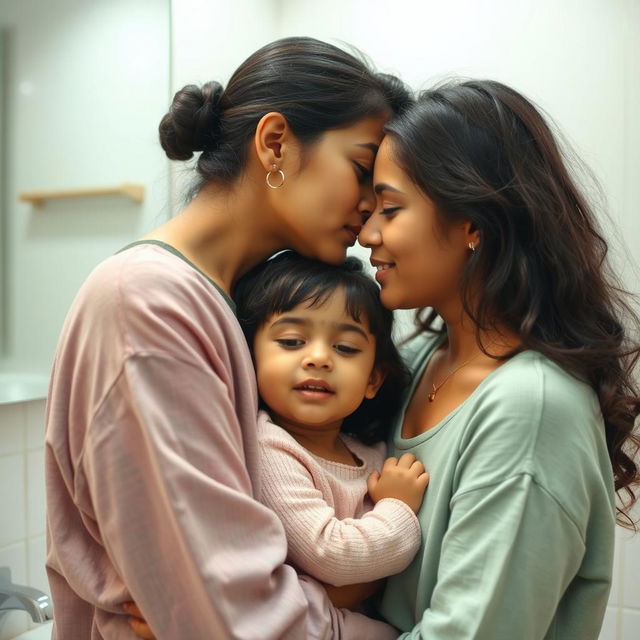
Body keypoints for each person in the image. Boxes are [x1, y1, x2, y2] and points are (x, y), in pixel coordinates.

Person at [44, 36, 412, 640]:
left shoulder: (226, 299)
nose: (371, 210)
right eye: (362, 170)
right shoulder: (149, 304)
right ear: (275, 144)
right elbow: (228, 608)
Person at [357, 78, 640, 639]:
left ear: (472, 224)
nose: (367, 234)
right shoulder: (412, 360)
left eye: (389, 208)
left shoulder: (532, 407)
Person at [235, 251, 428, 598]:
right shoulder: (270, 449)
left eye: (345, 347)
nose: (319, 358)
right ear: (251, 357)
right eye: (292, 342)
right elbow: (331, 554)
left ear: (373, 379)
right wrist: (397, 507)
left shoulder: (373, 452)